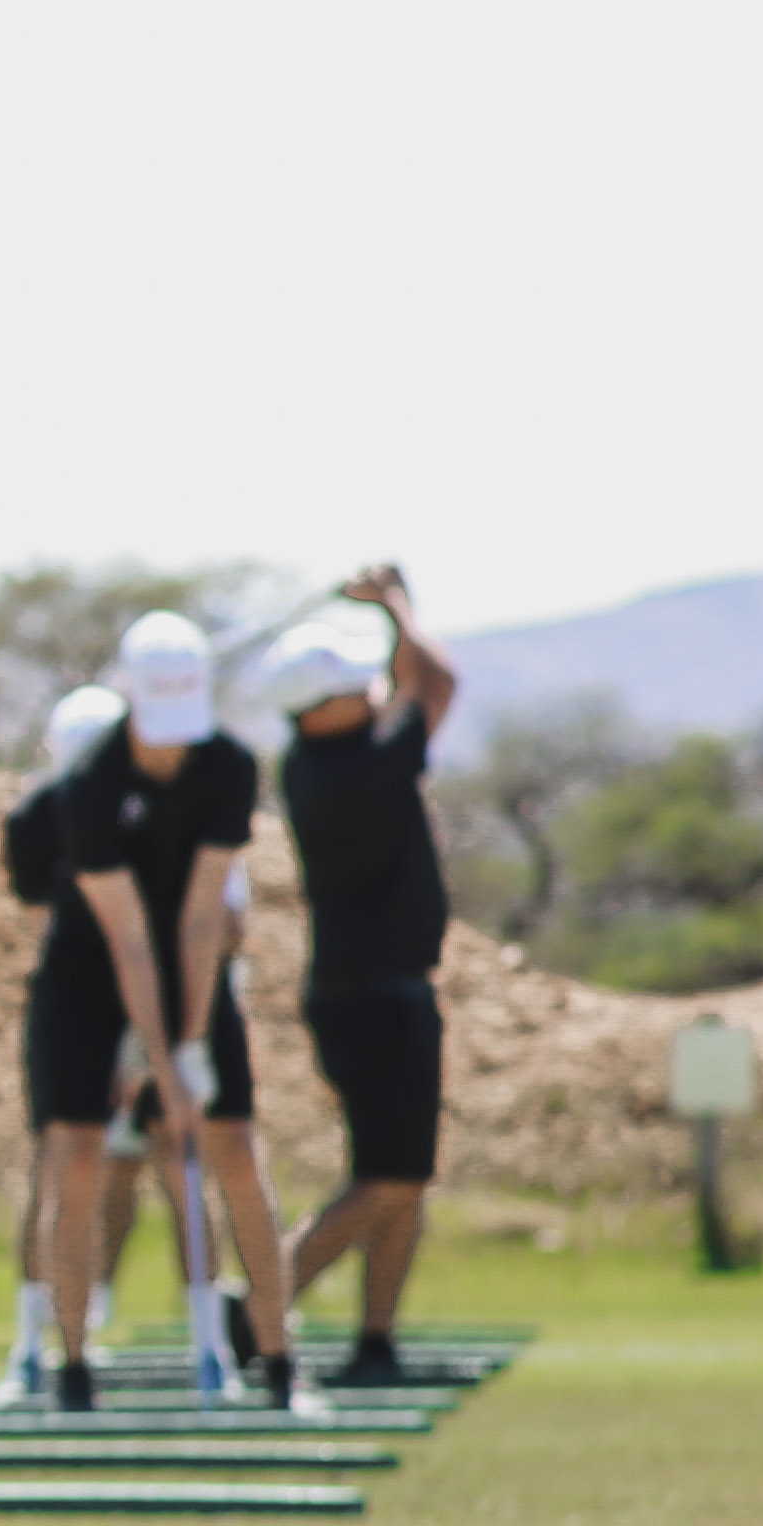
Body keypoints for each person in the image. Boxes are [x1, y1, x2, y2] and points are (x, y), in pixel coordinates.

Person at [47, 607, 309, 1408]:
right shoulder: (88, 784)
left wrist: (190, 1046)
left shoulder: (228, 766)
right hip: (90, 976)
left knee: (233, 1147)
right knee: (78, 1155)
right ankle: (71, 1367)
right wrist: (160, 1066)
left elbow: (203, 917)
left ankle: (279, 1361)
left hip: (194, 970)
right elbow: (128, 940)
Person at [264, 572, 459, 1386]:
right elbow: (435, 683)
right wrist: (395, 607)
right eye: (350, 687)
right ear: (318, 709)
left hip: (379, 991)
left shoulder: (322, 757)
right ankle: (260, 1310)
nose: (368, 691)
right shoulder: (360, 764)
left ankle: (376, 1341)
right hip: (371, 998)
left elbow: (405, 688)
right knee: (389, 1179)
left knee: (402, 1180)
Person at [0, 678, 126, 1405]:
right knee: (63, 1170)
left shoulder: (148, 810)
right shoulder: (40, 816)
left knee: (157, 1166)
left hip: (146, 1001)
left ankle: (214, 1347)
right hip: (73, 1001)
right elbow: (33, 889)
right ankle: (40, 1347)